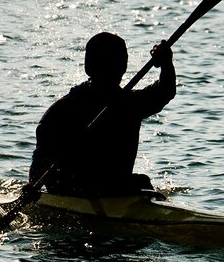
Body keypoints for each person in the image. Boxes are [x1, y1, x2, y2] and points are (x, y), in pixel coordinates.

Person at [28, 32, 176, 197]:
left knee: (142, 182)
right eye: (106, 64)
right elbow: (41, 155)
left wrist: (166, 63)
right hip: (75, 189)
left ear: (123, 67)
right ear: (90, 67)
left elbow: (165, 91)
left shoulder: (130, 104)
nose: (111, 69)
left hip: (113, 186)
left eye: (115, 63)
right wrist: (33, 185)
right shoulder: (65, 109)